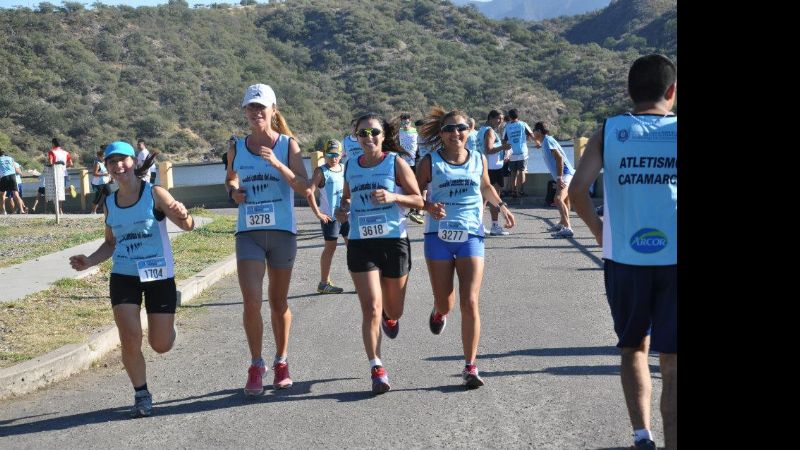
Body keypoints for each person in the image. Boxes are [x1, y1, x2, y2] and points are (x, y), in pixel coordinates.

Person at [569, 54, 677, 450]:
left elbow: (576, 192)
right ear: (672, 91)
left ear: (630, 93)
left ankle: (642, 435)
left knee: (633, 347)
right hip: (675, 259)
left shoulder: (609, 130)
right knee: (674, 361)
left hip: (625, 259)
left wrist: (602, 234)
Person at [69, 140, 194, 418]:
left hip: (159, 275)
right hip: (124, 274)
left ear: (134, 162)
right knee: (129, 337)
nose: (118, 166)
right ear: (108, 168)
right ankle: (141, 394)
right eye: (112, 162)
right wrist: (89, 260)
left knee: (160, 345)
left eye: (123, 160)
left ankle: (170, 331)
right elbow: (110, 243)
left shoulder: (154, 193)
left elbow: (187, 225)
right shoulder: (110, 203)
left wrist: (184, 216)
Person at [415, 107, 514, 389]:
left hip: (471, 234)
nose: (455, 133)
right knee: (446, 301)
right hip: (438, 236)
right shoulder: (429, 162)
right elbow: (413, 193)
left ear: (470, 130)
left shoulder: (479, 159)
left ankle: (470, 366)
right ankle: (438, 312)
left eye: (460, 128)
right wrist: (427, 205)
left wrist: (501, 206)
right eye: (448, 129)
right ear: (441, 134)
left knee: (470, 301)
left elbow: (485, 187)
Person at [225, 83, 309, 396]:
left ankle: (281, 361)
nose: (256, 113)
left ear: (273, 110)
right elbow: (231, 177)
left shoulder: (289, 145)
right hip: (248, 232)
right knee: (251, 300)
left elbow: (304, 187)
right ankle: (256, 365)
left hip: (282, 233)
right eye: (251, 107)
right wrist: (234, 192)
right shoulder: (236, 146)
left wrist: (277, 163)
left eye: (262, 107)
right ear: (245, 112)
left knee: (277, 301)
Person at [334, 112, 424, 394]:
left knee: (393, 307)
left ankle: (391, 316)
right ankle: (376, 366)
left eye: (374, 133)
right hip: (361, 242)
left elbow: (419, 200)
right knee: (371, 306)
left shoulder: (395, 163)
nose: (369, 138)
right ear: (356, 138)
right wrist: (343, 209)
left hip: (393, 242)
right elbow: (346, 197)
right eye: (363, 134)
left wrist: (394, 196)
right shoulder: (351, 165)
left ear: (384, 136)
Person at [306, 139, 348, 294]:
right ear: (324, 154)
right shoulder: (321, 171)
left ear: (341, 154)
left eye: (336, 154)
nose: (333, 158)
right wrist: (318, 213)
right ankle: (323, 283)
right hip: (330, 218)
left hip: (346, 216)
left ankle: (360, 282)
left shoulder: (344, 168)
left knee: (354, 248)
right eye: (330, 154)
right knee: (330, 249)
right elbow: (309, 192)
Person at [533, 122, 576, 238]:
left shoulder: (548, 141)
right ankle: (563, 223)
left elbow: (559, 159)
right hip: (567, 174)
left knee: (558, 199)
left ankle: (568, 228)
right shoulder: (545, 141)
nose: (533, 132)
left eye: (534, 130)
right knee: (565, 200)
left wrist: (559, 178)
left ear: (539, 131)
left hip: (566, 174)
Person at [477, 110, 511, 236]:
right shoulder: (490, 131)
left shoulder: (482, 130)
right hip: (492, 168)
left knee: (484, 199)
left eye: (502, 119)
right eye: (498, 118)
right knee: (493, 198)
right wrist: (504, 147)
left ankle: (479, 225)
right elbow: (489, 149)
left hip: (485, 166)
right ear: (490, 118)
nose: (500, 121)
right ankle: (495, 226)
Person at [501, 109, 534, 198]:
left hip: (512, 153)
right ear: (518, 115)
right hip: (523, 152)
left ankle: (513, 191)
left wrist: (505, 153)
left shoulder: (507, 127)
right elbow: (532, 135)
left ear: (510, 117)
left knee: (513, 172)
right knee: (522, 171)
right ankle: (520, 191)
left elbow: (503, 140)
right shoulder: (523, 124)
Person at [398, 113, 424, 225]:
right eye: (403, 121)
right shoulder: (399, 131)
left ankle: (418, 209)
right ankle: (411, 209)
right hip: (404, 161)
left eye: (407, 121)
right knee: (406, 186)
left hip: (415, 160)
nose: (405, 123)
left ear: (410, 121)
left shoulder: (415, 131)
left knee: (417, 185)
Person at [48, 138, 74, 212]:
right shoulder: (66, 153)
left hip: (56, 173)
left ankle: (58, 210)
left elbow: (50, 163)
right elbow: (71, 164)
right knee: (61, 192)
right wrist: (64, 166)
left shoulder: (51, 152)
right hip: (64, 173)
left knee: (56, 191)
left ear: (53, 144)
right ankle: (60, 210)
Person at [0, 150, 27, 214]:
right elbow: (16, 169)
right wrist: (20, 173)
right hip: (12, 176)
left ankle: (3, 211)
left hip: (4, 177)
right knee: (16, 195)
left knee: (2, 195)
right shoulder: (11, 158)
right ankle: (22, 210)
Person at [90, 147, 112, 214]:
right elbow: (94, 173)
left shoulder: (105, 163)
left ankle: (109, 210)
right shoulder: (97, 163)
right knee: (98, 197)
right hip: (98, 184)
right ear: (99, 156)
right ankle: (93, 211)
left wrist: (110, 178)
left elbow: (108, 172)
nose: (104, 157)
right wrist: (104, 174)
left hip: (105, 182)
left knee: (109, 195)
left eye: (105, 156)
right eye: (103, 156)